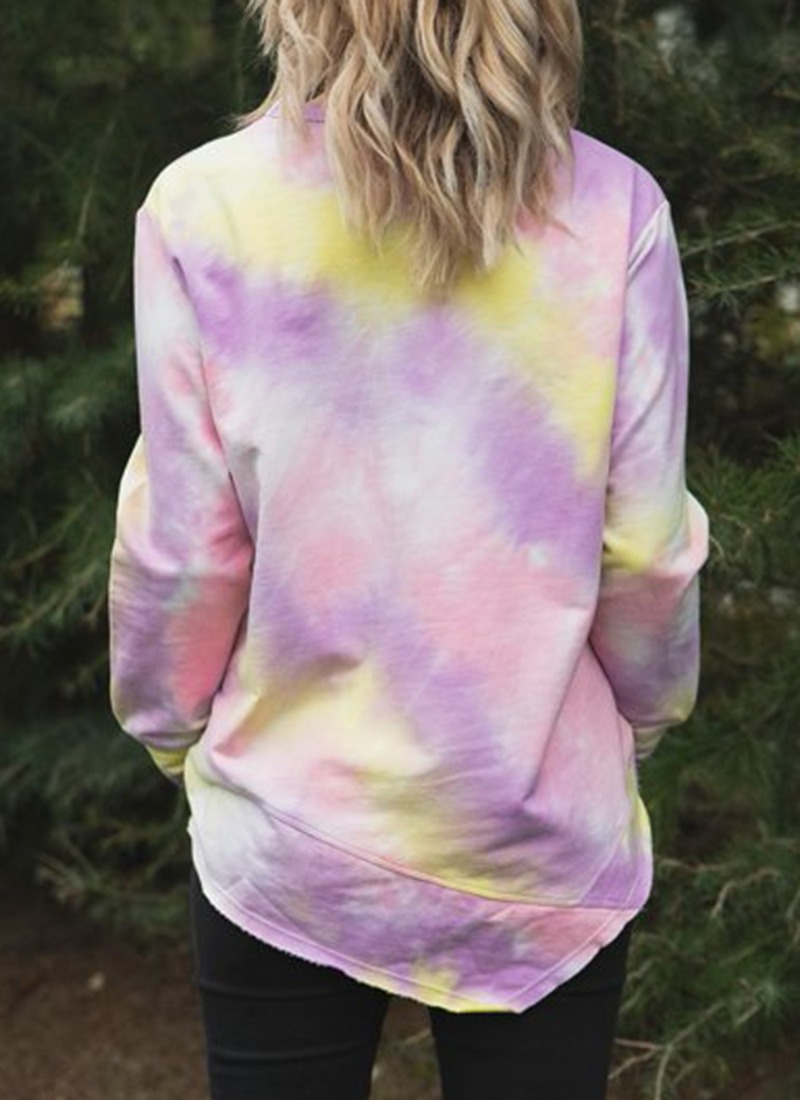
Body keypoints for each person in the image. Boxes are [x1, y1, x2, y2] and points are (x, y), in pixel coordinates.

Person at [107, 0, 709, 1096]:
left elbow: (187, 552)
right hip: (536, 844)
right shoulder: (615, 207)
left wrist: (166, 726)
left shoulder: (203, 206)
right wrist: (644, 717)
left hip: (289, 827)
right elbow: (647, 550)